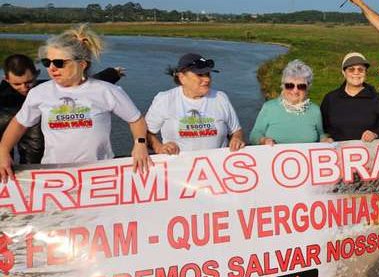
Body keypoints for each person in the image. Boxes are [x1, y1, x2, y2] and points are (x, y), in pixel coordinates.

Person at [0, 25, 151, 181]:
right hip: (54, 174)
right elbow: (19, 124)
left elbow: (136, 120)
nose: (51, 68)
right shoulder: (39, 93)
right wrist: (3, 151)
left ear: (82, 64)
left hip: (100, 172)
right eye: (47, 62)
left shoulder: (106, 90)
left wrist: (140, 144)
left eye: (59, 63)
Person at [0, 54, 125, 164]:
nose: (24, 88)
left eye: (29, 82)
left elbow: (80, 86)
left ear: (36, 74)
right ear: (6, 79)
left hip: (52, 161)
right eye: (17, 84)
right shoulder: (3, 101)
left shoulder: (43, 90)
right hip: (28, 164)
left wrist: (111, 74)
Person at [145, 53, 245, 154]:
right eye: (200, 75)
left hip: (216, 166)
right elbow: (146, 134)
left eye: (208, 74)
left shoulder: (221, 98)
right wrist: (159, 148)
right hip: (178, 167)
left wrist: (236, 139)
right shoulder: (165, 99)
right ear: (182, 77)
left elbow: (236, 131)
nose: (207, 79)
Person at [320, 52, 379, 142]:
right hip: (338, 152)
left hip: (368, 152)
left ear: (365, 73)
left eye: (360, 69)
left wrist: (374, 134)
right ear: (343, 72)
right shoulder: (331, 99)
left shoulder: (375, 98)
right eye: (351, 69)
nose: (356, 73)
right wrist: (325, 138)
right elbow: (321, 128)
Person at [249, 59, 325, 145]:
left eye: (301, 86)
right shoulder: (269, 107)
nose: (295, 90)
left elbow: (320, 134)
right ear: (283, 86)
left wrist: (325, 140)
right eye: (290, 85)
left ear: (307, 89)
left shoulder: (315, 110)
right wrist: (264, 140)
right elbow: (254, 135)